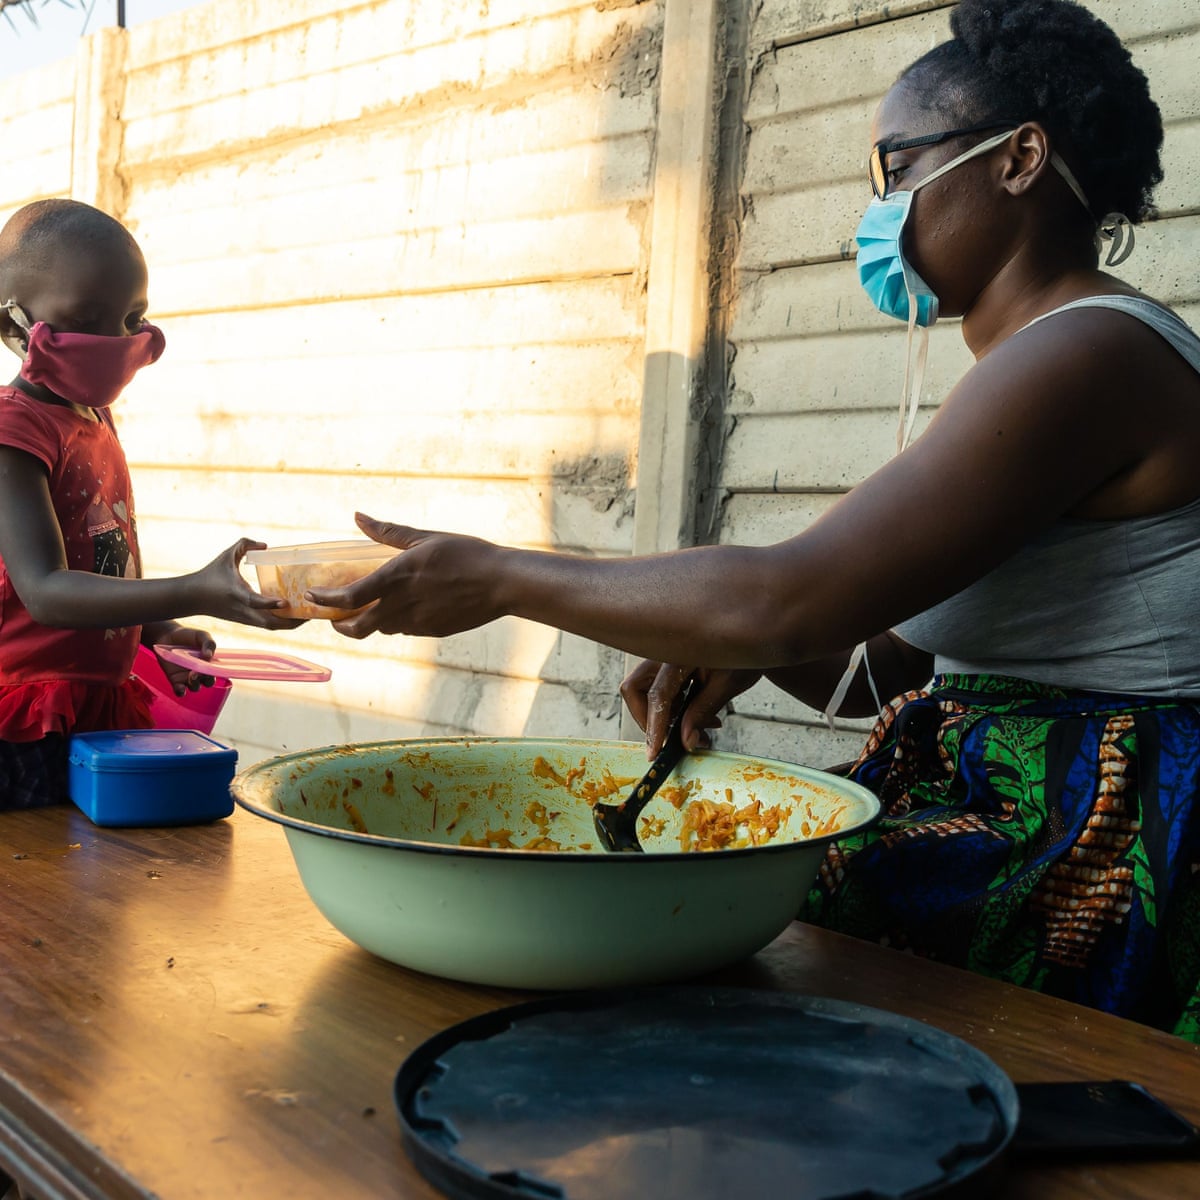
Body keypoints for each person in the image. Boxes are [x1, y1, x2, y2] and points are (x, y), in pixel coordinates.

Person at [305, 0, 1200, 1040]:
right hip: (1019, 797)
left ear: (1019, 158)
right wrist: (729, 643)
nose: (877, 211)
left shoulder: (1085, 354)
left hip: (1096, 833)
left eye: (896, 169)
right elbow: (863, 663)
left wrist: (505, 578)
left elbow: (787, 600)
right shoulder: (1030, 368)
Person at [0, 198, 299, 808]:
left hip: (101, 704)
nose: (119, 338)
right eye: (88, 316)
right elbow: (47, 591)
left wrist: (160, 632)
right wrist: (194, 588)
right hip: (29, 717)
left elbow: (103, 563)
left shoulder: (96, 418)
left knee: (101, 882)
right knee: (37, 881)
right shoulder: (14, 431)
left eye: (133, 316)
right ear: (14, 325)